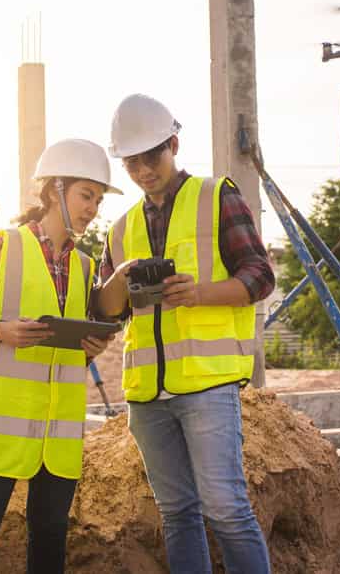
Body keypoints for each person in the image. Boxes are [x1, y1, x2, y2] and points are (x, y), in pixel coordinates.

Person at [95, 94, 276, 574]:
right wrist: (122, 278)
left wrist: (201, 294)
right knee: (177, 514)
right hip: (146, 393)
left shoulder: (217, 196)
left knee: (226, 510)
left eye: (151, 157)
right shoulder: (120, 228)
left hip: (207, 386)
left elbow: (260, 276)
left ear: (173, 144)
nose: (142, 170)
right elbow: (106, 312)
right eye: (131, 162)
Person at [0, 138, 122, 574]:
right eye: (84, 195)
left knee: (50, 536)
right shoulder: (8, 245)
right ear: (55, 190)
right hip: (1, 425)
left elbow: (77, 335)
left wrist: (95, 345)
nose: (92, 207)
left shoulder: (85, 266)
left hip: (56, 430)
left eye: (97, 199)